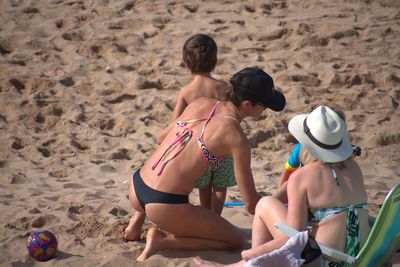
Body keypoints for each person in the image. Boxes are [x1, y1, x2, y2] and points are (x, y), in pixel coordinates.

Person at [124, 67, 286, 261]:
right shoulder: (235, 136)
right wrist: (280, 200)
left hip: (137, 184)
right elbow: (251, 203)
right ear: (248, 104)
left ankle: (138, 217)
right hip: (163, 203)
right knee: (235, 241)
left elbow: (161, 139)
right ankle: (162, 240)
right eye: (264, 106)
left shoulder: (200, 102)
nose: (265, 110)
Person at [222, 105, 370, 266]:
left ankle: (250, 263)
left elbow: (293, 237)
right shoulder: (355, 169)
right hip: (359, 259)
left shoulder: (302, 177)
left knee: (265, 204)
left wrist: (254, 253)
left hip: (322, 261)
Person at [157, 33, 235, 216]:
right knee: (219, 186)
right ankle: (217, 217)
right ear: (214, 61)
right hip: (222, 147)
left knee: (204, 186)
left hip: (199, 149)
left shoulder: (186, 91)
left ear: (187, 64)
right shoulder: (224, 88)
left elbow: (175, 123)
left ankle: (206, 215)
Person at [274, 109, 361, 204]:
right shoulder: (348, 157)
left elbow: (288, 170)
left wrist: (281, 196)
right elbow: (288, 168)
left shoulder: (301, 153)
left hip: (313, 198)